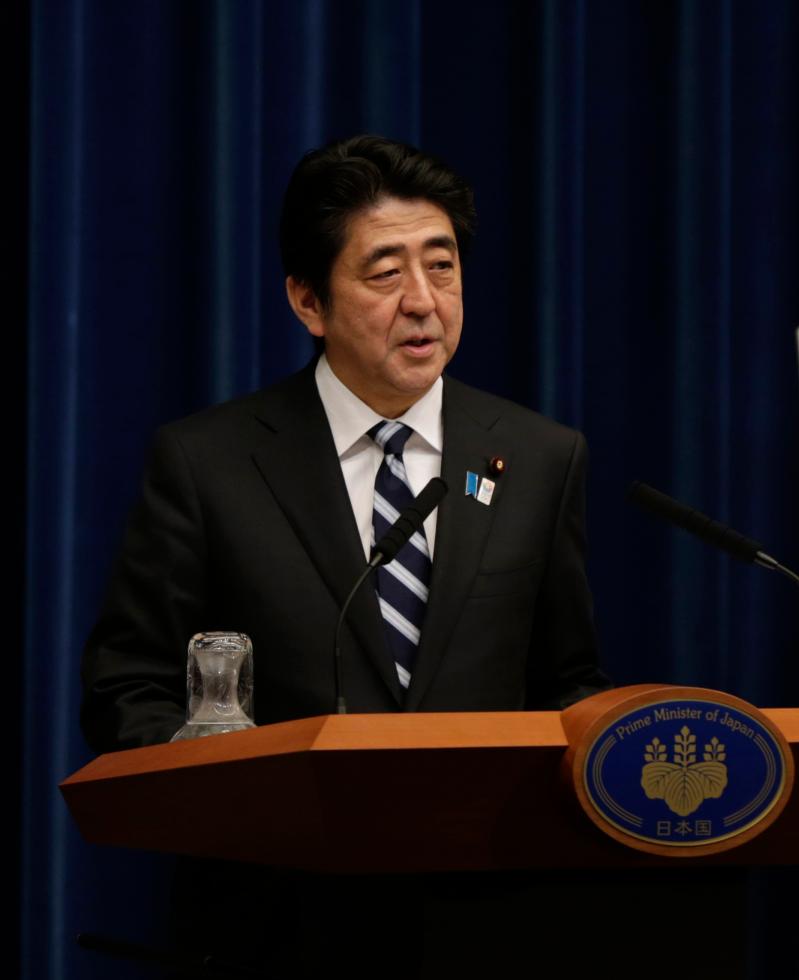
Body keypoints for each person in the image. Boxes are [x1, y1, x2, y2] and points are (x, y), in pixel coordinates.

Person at [81, 135, 609, 754]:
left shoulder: (539, 456)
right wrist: (225, 781)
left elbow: (565, 683)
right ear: (309, 301)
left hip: (471, 845)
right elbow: (127, 688)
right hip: (277, 841)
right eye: (386, 273)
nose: (422, 301)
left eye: (442, 266)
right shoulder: (206, 464)